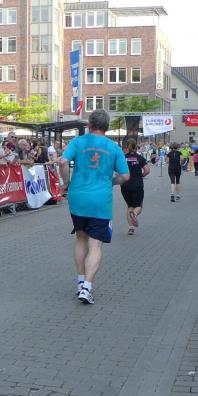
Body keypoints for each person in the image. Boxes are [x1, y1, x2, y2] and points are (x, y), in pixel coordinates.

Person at [58, 110, 129, 305]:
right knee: (95, 244)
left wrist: (66, 183)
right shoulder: (113, 147)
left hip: (77, 197)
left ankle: (80, 281)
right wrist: (111, 182)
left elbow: (63, 162)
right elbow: (125, 176)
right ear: (107, 127)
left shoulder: (78, 142)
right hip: (100, 200)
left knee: (80, 237)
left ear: (89, 124)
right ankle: (87, 287)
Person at [120, 139, 149, 235]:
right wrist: (141, 175)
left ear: (127, 147)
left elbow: (118, 172)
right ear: (136, 146)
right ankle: (135, 214)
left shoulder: (123, 158)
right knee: (138, 206)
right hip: (137, 185)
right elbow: (147, 170)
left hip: (125, 185)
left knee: (130, 206)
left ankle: (131, 228)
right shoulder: (140, 158)